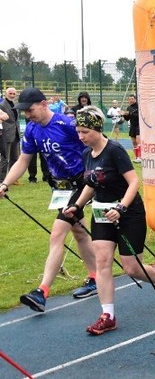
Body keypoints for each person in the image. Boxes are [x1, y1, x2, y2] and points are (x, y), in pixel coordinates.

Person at [62, 106, 155, 335]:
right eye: (78, 132)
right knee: (102, 261)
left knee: (131, 268)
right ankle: (108, 315)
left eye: (85, 132)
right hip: (101, 214)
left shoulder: (114, 150)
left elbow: (134, 182)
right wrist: (77, 205)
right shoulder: (87, 154)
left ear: (97, 129)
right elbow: (91, 184)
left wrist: (121, 207)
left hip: (129, 213)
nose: (81, 136)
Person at [0, 88, 99, 311]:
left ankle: (42, 291)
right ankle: (96, 277)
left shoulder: (67, 124)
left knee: (57, 234)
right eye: (24, 111)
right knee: (80, 232)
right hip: (60, 188)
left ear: (44, 104)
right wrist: (5, 184)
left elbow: (96, 145)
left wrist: (97, 176)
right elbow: (23, 160)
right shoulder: (32, 129)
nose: (27, 115)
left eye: (30, 110)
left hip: (80, 185)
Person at [0, 87, 20, 183]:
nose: (12, 95)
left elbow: (15, 120)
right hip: (5, 134)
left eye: (14, 94)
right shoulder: (2, 105)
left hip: (15, 134)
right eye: (10, 93)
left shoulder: (15, 104)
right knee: (5, 158)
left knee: (15, 158)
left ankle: (13, 179)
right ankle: (1, 179)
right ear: (6, 94)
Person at [122, 94, 141, 163]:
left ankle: (140, 157)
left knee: (138, 141)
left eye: (132, 99)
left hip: (139, 126)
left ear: (135, 99)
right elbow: (127, 119)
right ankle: (136, 157)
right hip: (132, 126)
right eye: (129, 99)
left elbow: (139, 116)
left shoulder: (139, 106)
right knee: (134, 142)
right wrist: (124, 114)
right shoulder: (129, 108)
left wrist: (130, 113)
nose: (131, 100)